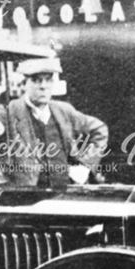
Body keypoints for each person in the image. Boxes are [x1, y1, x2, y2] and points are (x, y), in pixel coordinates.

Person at [7, 58, 108, 189]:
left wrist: (86, 165)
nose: (43, 86)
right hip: (29, 194)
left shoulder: (63, 110)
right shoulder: (11, 111)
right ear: (24, 84)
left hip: (66, 192)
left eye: (48, 80)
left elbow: (100, 130)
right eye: (36, 80)